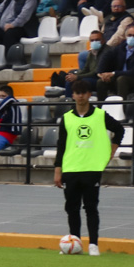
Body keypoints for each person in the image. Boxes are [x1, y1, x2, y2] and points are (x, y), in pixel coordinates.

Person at [54, 80, 124, 257]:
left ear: (89, 95)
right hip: (71, 167)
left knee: (91, 207)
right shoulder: (67, 118)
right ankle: (75, 242)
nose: (80, 96)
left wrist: (113, 147)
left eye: (84, 93)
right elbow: (61, 145)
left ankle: (93, 243)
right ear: (73, 95)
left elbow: (119, 129)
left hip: (92, 168)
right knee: (72, 207)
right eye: (77, 93)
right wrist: (57, 169)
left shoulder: (100, 115)